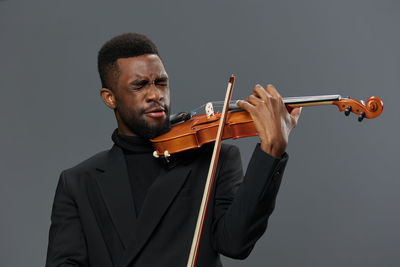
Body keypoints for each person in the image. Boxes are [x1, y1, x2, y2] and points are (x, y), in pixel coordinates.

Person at [46, 33, 301, 267]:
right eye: (140, 85)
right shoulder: (78, 182)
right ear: (109, 97)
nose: (155, 94)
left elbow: (235, 243)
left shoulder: (215, 158)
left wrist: (271, 151)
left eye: (161, 82)